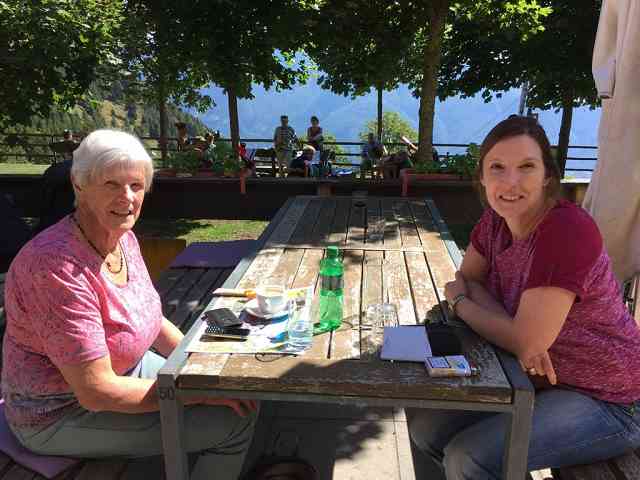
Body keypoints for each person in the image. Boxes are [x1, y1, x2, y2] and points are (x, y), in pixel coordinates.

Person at [1, 130, 257, 477]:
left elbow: (151, 319)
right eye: (111, 184)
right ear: (79, 184)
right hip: (59, 412)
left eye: (136, 186)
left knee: (242, 393)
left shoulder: (123, 237)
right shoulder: (54, 267)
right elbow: (96, 392)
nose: (127, 198)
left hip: (126, 373)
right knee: (232, 423)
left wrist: (200, 369)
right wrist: (195, 393)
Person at [407, 116, 640, 479]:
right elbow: (469, 276)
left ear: (547, 175)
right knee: (426, 428)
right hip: (531, 377)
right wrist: (518, 335)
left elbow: (492, 311)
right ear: (482, 178)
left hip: (609, 397)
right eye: (497, 168)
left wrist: (462, 305)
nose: (510, 182)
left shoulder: (565, 230)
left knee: (469, 457)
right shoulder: (495, 221)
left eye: (526, 167)